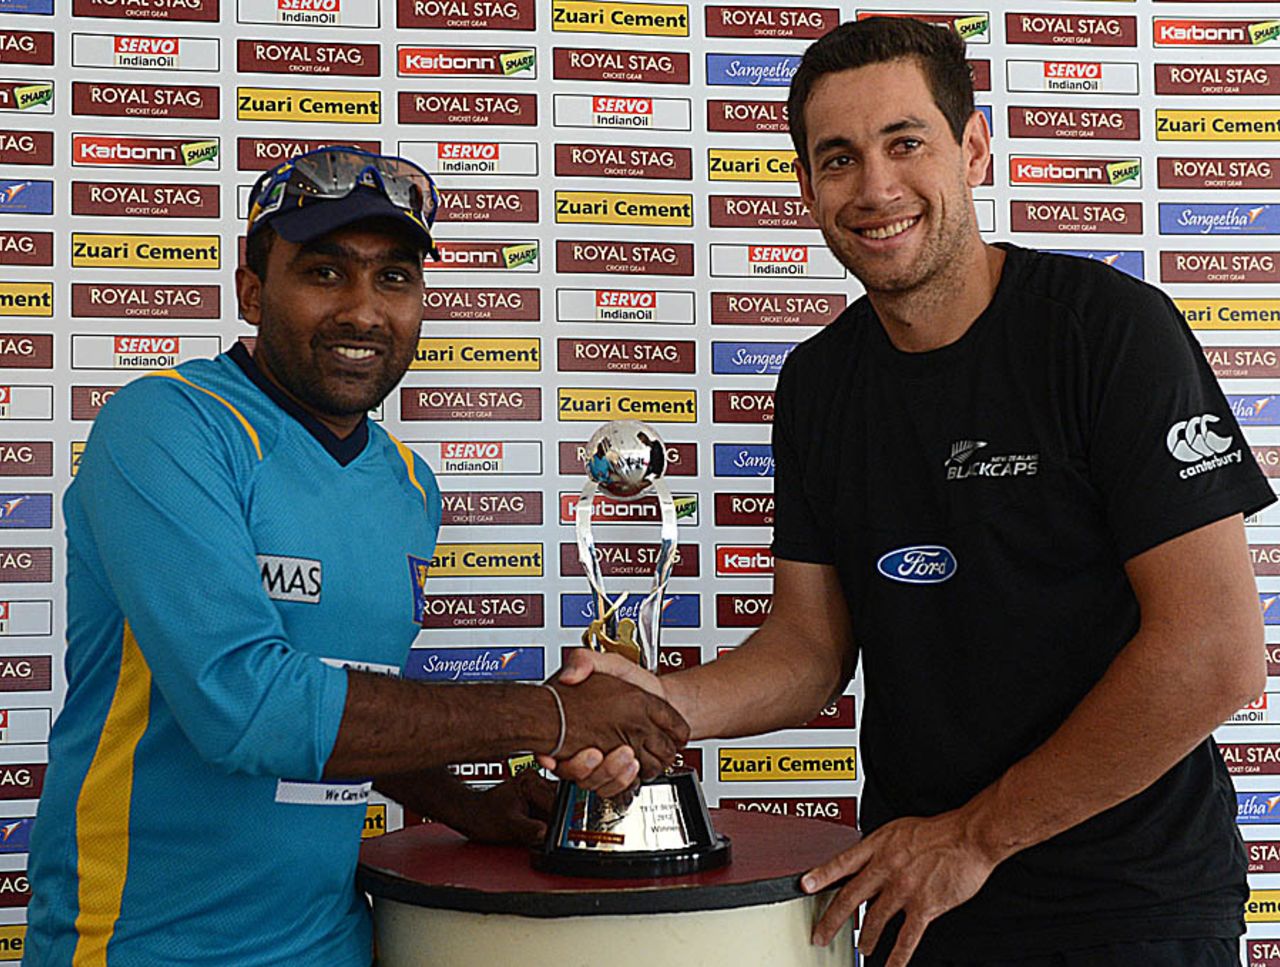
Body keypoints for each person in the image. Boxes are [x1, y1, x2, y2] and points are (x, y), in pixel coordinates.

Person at [550, 18, 1272, 967]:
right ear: (806, 187)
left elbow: (1215, 652)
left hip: (1128, 908)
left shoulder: (1107, 332)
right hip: (915, 906)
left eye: (906, 143)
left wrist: (973, 837)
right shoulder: (819, 383)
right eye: (838, 158)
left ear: (972, 150)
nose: (876, 189)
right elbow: (809, 648)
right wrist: (656, 702)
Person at [25, 147, 688, 966]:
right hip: (140, 945)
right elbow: (249, 707)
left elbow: (341, 703)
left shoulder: (409, 484)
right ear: (251, 289)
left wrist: (460, 803)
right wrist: (549, 713)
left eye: (395, 278)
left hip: (338, 940)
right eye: (326, 273)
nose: (365, 312)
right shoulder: (167, 425)